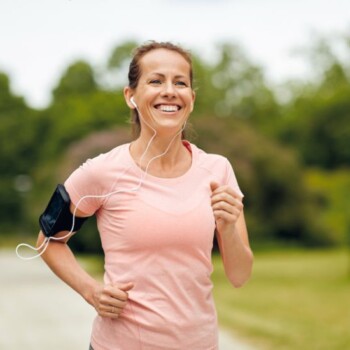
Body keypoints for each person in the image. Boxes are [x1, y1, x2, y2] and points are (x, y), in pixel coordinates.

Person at [36, 41, 253, 350]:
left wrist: (229, 226)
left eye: (180, 82)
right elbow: (47, 240)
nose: (169, 90)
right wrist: (91, 291)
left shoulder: (218, 171)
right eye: (155, 80)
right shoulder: (101, 172)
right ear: (131, 96)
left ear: (192, 98)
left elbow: (240, 275)